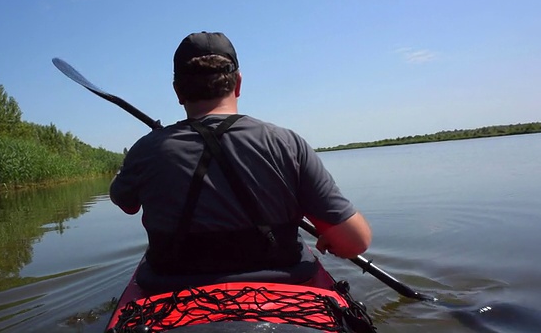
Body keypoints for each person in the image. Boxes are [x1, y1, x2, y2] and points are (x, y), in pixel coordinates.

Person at [110, 32, 371, 285]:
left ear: (178, 91)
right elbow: (355, 242)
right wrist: (333, 237)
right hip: (283, 289)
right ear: (238, 84)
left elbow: (127, 204)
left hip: (168, 288)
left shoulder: (145, 150)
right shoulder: (287, 143)